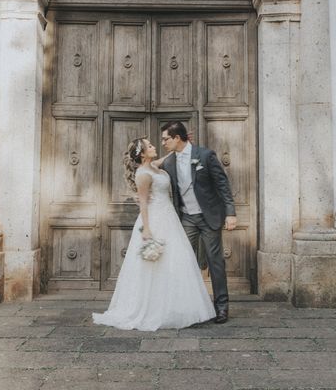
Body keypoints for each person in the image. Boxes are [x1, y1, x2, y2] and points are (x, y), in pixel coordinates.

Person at [92, 137, 216, 331]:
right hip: (154, 220)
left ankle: (176, 308)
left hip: (169, 218)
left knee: (176, 261)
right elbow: (143, 203)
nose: (153, 146)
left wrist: (181, 145)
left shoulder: (155, 167)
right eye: (149, 146)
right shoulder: (143, 174)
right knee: (154, 265)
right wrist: (147, 229)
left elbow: (165, 158)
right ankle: (153, 310)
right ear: (142, 153)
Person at [160, 121, 236, 324]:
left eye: (166, 138)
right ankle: (189, 306)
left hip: (208, 216)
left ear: (177, 138)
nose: (163, 143)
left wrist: (230, 213)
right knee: (184, 262)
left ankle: (221, 307)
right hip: (186, 218)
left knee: (215, 261)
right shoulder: (168, 163)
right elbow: (147, 167)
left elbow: (223, 184)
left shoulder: (205, 155)